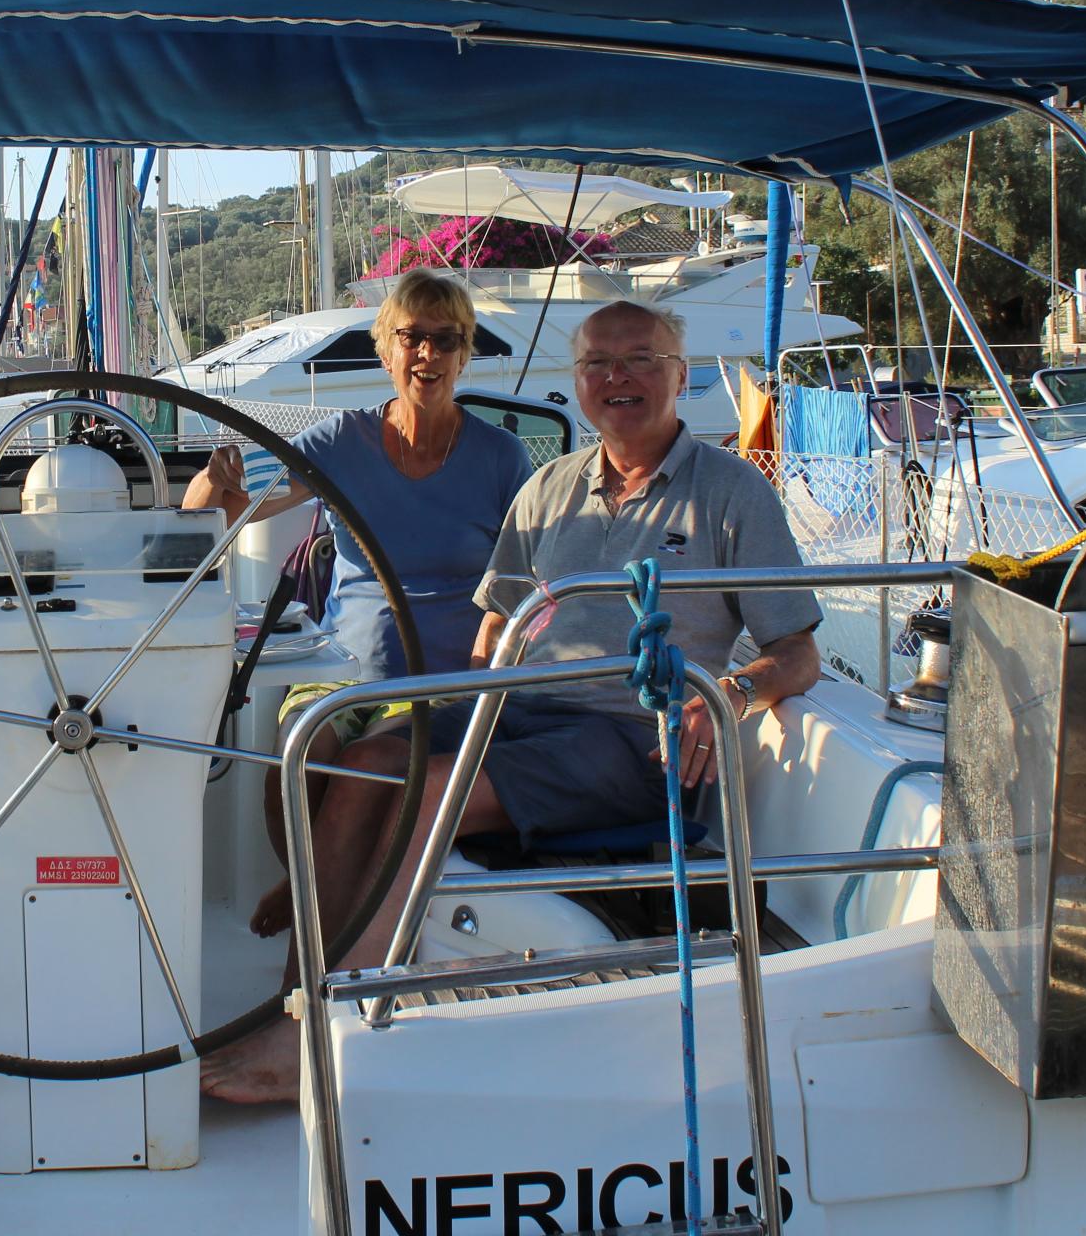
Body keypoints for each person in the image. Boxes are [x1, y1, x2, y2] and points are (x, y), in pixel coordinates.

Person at [202, 300, 822, 1103]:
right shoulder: (551, 487)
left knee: (428, 790)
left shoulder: (732, 493)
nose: (617, 377)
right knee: (359, 762)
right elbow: (500, 610)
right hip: (519, 709)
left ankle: (323, 1045)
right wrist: (482, 671)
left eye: (639, 359)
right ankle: (298, 1002)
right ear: (579, 382)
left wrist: (731, 691)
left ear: (678, 373)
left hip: (628, 736)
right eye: (598, 362)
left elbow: (797, 650)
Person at [182, 269, 534, 934]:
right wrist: (212, 477)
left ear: (464, 354)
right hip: (344, 669)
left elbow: (529, 583)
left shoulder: (500, 458)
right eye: (411, 337)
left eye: (445, 339)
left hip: (447, 683)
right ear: (385, 348)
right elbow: (218, 518)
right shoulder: (341, 442)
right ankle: (308, 885)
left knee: (359, 766)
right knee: (296, 757)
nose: (427, 354)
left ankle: (327, 925)